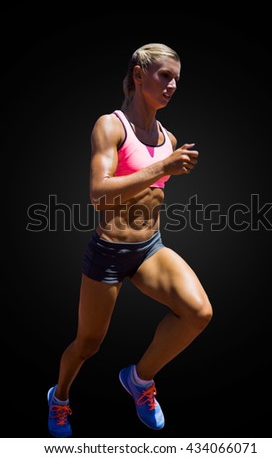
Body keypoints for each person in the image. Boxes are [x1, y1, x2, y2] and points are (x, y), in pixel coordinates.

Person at [47, 43, 213, 437]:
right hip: (107, 253)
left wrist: (165, 163)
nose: (172, 85)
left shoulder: (167, 137)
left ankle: (139, 379)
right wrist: (162, 166)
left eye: (177, 80)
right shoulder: (111, 125)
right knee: (87, 344)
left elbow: (152, 192)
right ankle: (60, 398)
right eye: (164, 76)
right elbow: (98, 193)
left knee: (199, 314)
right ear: (139, 75)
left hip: (149, 248)